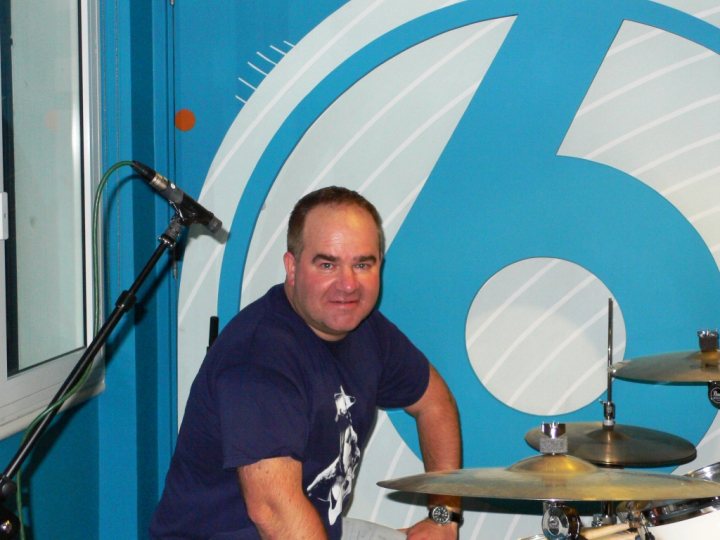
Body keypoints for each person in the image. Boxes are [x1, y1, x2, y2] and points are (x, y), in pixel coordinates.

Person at [150, 186, 462, 539]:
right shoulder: (259, 359)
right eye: (327, 264)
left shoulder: (366, 330)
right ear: (292, 267)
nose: (348, 285)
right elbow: (274, 514)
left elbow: (435, 403)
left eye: (363, 264)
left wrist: (442, 515)